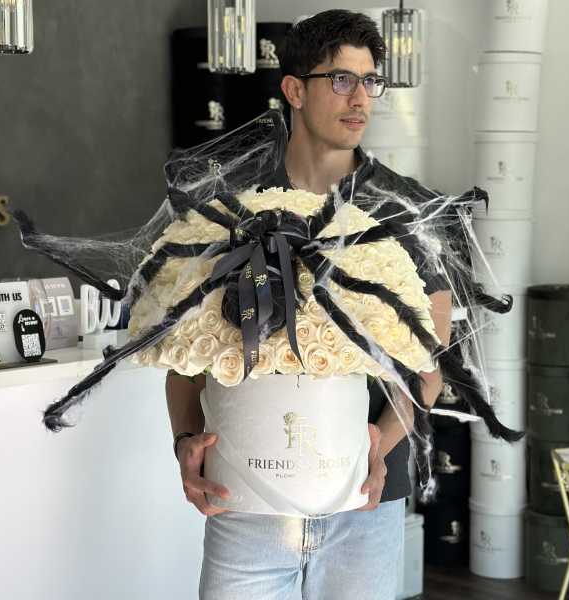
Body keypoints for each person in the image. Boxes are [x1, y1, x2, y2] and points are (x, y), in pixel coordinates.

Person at [166, 9, 452, 600]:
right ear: (294, 90)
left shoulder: (407, 213)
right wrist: (185, 439)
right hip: (245, 501)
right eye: (341, 79)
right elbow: (184, 354)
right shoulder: (231, 206)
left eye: (370, 80)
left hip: (364, 503)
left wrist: (378, 445)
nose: (360, 98)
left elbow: (429, 369)